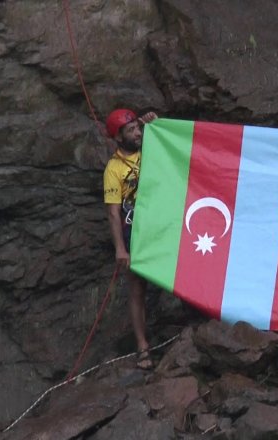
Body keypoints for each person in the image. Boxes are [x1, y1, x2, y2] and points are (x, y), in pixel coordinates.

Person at [103, 107, 158, 369]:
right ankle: (143, 347)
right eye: (131, 130)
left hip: (161, 226)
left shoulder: (152, 148)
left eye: (138, 128)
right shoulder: (113, 169)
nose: (137, 133)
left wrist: (157, 125)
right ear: (118, 137)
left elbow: (174, 151)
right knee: (137, 289)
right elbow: (113, 212)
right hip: (133, 232)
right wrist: (120, 249)